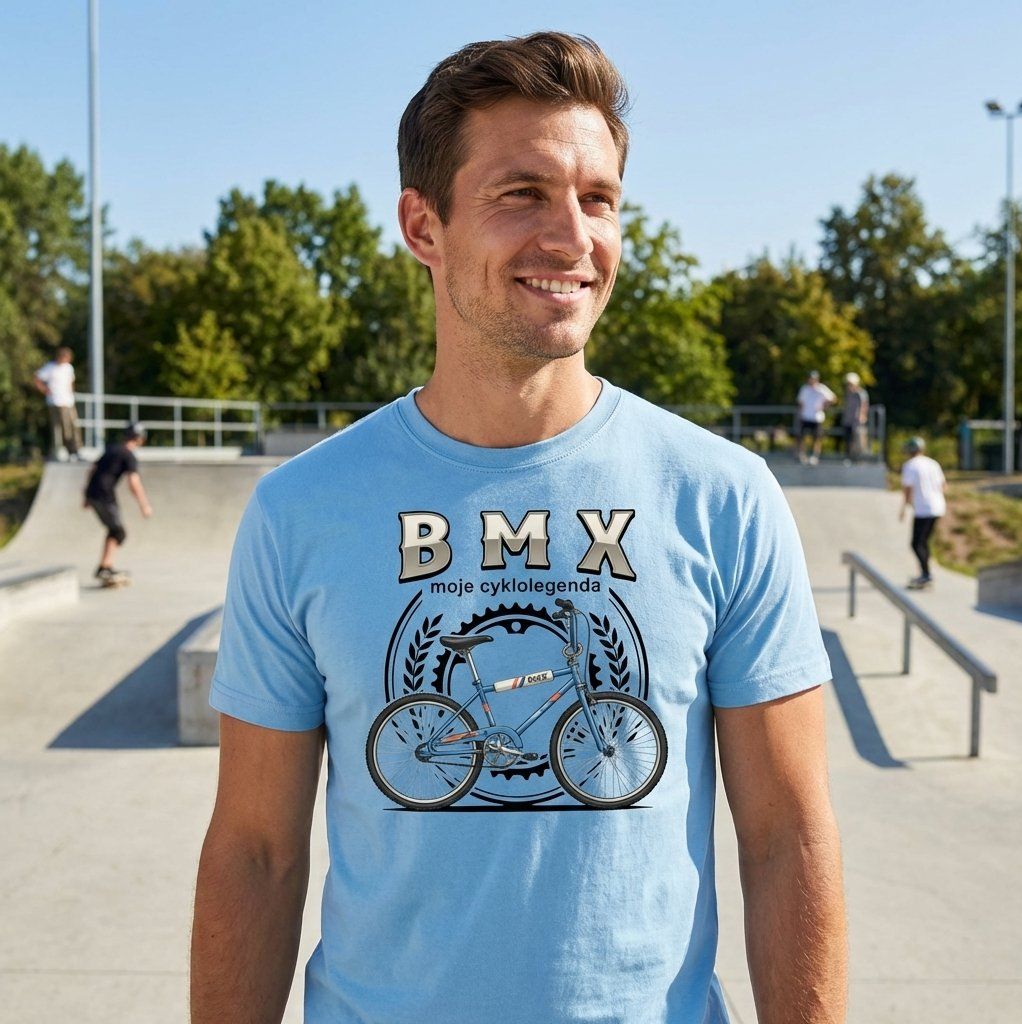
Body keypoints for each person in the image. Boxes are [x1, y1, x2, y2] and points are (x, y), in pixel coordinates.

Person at [191, 33, 846, 1024]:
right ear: (424, 225)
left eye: (598, 198)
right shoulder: (303, 509)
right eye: (522, 194)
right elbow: (255, 851)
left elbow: (787, 837)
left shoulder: (722, 497)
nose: (571, 236)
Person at [83, 422, 152, 584]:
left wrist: (86, 496)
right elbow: (133, 482)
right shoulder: (129, 455)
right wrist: (144, 505)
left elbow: (92, 470)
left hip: (94, 493)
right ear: (140, 439)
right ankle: (104, 568)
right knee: (118, 532)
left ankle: (105, 567)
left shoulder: (111, 449)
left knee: (114, 530)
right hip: (105, 496)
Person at [899, 436, 947, 589]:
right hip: (938, 506)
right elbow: (943, 485)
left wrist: (904, 508)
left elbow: (908, 488)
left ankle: (926, 575)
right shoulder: (933, 463)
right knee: (924, 542)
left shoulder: (910, 465)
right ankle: (925, 573)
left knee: (916, 543)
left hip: (923, 509)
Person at [34, 346, 82, 460]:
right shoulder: (50, 367)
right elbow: (36, 378)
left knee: (73, 425)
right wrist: (45, 390)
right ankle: (63, 451)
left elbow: (71, 382)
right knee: (60, 428)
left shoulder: (69, 368)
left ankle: (76, 450)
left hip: (68, 402)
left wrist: (71, 393)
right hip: (55, 401)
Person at [796, 369, 837, 465]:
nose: (812, 380)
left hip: (817, 418)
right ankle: (802, 455)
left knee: (817, 438)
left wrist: (825, 405)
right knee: (801, 437)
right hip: (805, 417)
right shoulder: (805, 389)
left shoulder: (822, 389)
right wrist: (800, 414)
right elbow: (800, 402)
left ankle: (814, 456)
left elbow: (833, 398)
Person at [840, 372, 869, 464]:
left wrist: (862, 415)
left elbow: (864, 405)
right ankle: (848, 458)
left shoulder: (861, 393)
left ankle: (860, 459)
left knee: (859, 441)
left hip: (857, 422)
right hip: (848, 420)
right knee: (848, 440)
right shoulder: (848, 393)